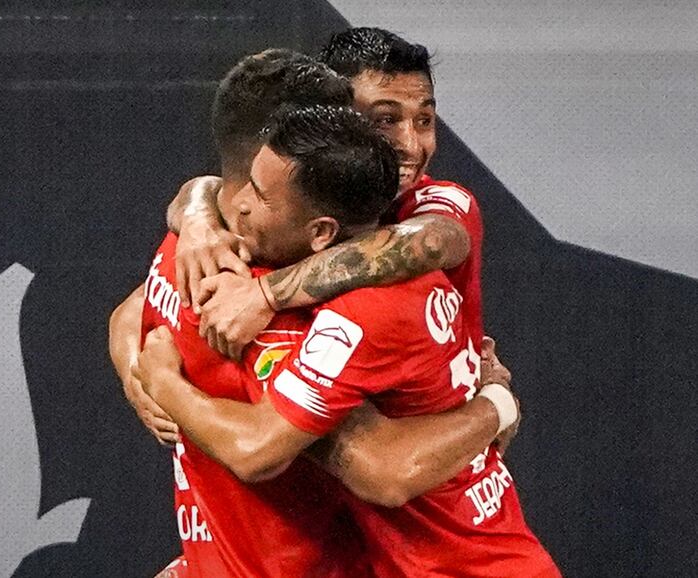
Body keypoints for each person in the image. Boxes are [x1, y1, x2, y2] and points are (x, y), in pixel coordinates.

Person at [110, 51, 516, 577]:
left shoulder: (422, 214)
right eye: (377, 121)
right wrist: (497, 405)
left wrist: (254, 290)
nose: (404, 146)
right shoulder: (243, 272)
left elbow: (433, 240)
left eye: (423, 120)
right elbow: (374, 468)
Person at [169, 28, 481, 367]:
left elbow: (431, 242)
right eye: (385, 120)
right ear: (330, 118)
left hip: (407, 415)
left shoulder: (439, 201)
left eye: (424, 120)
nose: (411, 145)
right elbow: (137, 310)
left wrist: (265, 295)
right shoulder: (277, 205)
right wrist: (196, 217)